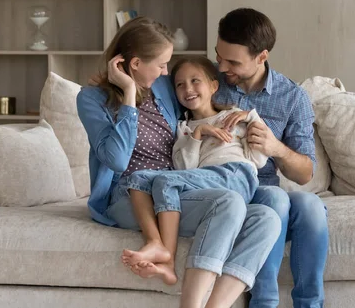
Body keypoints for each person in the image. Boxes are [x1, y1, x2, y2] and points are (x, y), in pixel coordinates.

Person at [76, 16, 281, 308]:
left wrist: (244, 116)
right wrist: (129, 96)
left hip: (174, 190)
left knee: (267, 219)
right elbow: (118, 160)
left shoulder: (161, 88)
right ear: (135, 64)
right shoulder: (90, 99)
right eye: (161, 65)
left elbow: (203, 90)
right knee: (229, 203)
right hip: (129, 195)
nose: (165, 72)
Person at [115, 55, 269, 286]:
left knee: (165, 182)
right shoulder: (184, 129)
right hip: (211, 186)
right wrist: (198, 134)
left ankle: (163, 251)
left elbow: (258, 159)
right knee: (138, 179)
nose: (188, 89)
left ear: (214, 85)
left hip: (238, 176)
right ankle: (166, 264)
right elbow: (186, 169)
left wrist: (252, 118)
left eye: (195, 81)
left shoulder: (233, 117)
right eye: (180, 84)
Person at [212, 8, 330, 308]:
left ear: (261, 56)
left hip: (262, 189)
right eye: (219, 55)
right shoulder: (207, 82)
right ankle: (263, 302)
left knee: (311, 205)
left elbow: (304, 174)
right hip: (223, 189)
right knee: (277, 199)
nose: (222, 66)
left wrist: (275, 147)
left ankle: (310, 304)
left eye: (233, 62)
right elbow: (158, 82)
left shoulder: (292, 97)